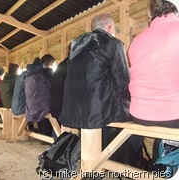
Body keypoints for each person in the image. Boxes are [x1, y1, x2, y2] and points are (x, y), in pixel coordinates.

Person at [128, 0, 179, 168]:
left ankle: (159, 164)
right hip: (172, 114)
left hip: (139, 114)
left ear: (151, 15)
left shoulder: (137, 40)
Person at [59, 13, 130, 129]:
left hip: (75, 110)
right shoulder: (113, 43)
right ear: (110, 28)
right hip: (102, 112)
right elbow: (122, 79)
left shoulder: (77, 46)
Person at [25, 55, 55, 137]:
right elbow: (52, 85)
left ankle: (42, 132)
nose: (52, 65)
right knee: (55, 109)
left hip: (30, 105)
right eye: (52, 63)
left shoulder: (29, 73)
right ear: (48, 63)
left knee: (42, 102)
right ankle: (49, 135)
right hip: (41, 105)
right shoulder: (45, 72)